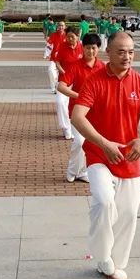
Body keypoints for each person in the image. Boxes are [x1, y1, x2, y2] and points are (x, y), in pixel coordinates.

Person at [70, 31, 140, 279]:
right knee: (104, 203)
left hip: (129, 158)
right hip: (99, 156)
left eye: (131, 51)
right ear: (109, 53)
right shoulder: (94, 81)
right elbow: (77, 117)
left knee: (128, 213)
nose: (127, 57)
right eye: (121, 51)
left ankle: (117, 262)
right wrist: (103, 144)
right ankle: (103, 257)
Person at [56, 33, 105, 183]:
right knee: (79, 141)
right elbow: (61, 86)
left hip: (96, 112)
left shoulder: (103, 67)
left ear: (98, 49)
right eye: (88, 48)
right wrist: (78, 96)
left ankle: (82, 171)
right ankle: (72, 171)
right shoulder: (75, 66)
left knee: (90, 143)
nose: (91, 51)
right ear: (82, 48)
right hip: (78, 111)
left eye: (94, 48)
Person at [52, 26, 84, 139]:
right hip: (64, 80)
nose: (70, 39)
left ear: (77, 37)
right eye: (68, 37)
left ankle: (78, 127)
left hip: (78, 81)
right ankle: (66, 128)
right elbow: (57, 62)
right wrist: (61, 69)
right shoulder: (62, 46)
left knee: (77, 105)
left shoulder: (82, 47)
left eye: (72, 37)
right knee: (60, 102)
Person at [45, 21, 67, 93]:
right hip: (54, 59)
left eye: (62, 25)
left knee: (63, 75)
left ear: (65, 27)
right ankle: (54, 87)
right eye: (59, 25)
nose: (61, 27)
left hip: (64, 60)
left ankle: (60, 87)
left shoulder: (67, 35)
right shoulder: (53, 35)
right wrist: (47, 54)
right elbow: (49, 45)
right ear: (57, 27)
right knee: (51, 71)